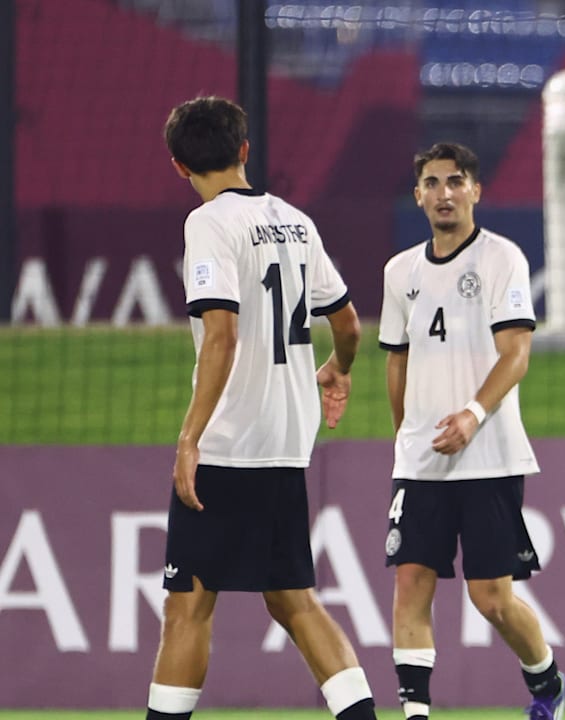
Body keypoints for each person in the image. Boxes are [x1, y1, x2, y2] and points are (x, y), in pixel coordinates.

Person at [148, 96, 376, 720]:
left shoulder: (208, 225)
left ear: (178, 166)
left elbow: (221, 334)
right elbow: (349, 324)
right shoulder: (297, 222)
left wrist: (190, 439)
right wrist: (339, 370)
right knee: (293, 600)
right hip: (286, 440)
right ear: (245, 150)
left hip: (227, 442)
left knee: (188, 604)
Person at [378, 143, 565, 720]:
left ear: (475, 191)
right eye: (432, 183)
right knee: (410, 582)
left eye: (455, 182)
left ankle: (549, 684)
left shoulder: (500, 258)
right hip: (423, 462)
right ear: (418, 196)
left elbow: (516, 354)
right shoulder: (399, 272)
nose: (444, 193)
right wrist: (407, 439)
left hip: (488, 455)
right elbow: (396, 360)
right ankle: (415, 714)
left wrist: (472, 414)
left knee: (491, 599)